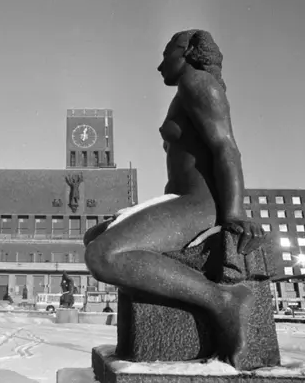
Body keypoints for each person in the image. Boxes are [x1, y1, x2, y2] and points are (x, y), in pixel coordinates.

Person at [83, 30, 266, 368]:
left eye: (165, 54)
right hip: (180, 198)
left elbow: (226, 147)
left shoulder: (199, 83)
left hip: (200, 204)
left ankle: (223, 301)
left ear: (187, 52)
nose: (159, 66)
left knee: (102, 255)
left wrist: (234, 213)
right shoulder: (186, 90)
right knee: (93, 235)